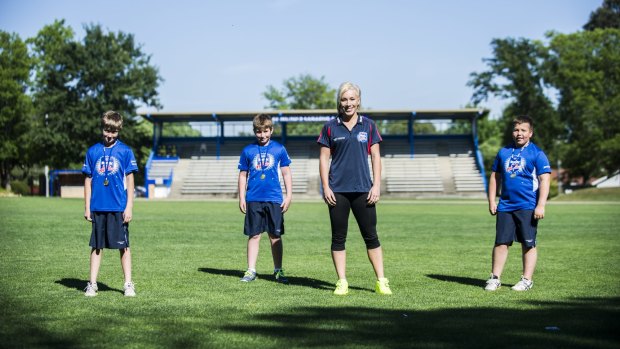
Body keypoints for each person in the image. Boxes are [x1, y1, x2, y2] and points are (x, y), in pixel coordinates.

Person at [317, 82, 392, 296]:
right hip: (337, 191)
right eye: (344, 99)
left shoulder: (368, 126)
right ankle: (342, 281)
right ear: (339, 102)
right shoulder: (330, 127)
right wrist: (325, 187)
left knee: (371, 237)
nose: (348, 103)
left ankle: (381, 280)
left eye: (352, 99)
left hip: (363, 190)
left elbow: (376, 156)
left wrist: (376, 185)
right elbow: (323, 159)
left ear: (358, 101)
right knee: (338, 238)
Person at [485, 115, 551, 292]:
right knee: (501, 242)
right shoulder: (504, 152)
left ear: (530, 133)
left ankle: (526, 280)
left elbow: (545, 179)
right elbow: (495, 176)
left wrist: (541, 205)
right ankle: (494, 278)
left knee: (528, 243)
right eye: (516, 130)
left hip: (528, 205)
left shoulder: (537, 153)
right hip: (505, 205)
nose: (519, 133)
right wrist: (492, 200)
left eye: (523, 130)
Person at [82, 111, 139, 297]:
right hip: (98, 206)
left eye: (113, 132)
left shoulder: (125, 151)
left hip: (118, 207)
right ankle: (92, 284)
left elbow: (130, 181)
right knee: (96, 246)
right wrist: (87, 206)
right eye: (107, 130)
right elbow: (88, 181)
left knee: (124, 246)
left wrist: (129, 206)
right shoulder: (92, 151)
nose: (109, 135)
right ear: (102, 128)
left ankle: (128, 283)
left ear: (118, 131)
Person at [238, 114, 292, 283]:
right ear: (255, 131)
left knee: (275, 236)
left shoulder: (279, 149)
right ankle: (251, 270)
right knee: (254, 235)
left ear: (271, 130)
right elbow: (242, 175)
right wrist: (241, 197)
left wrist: (289, 195)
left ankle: (278, 270)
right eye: (259, 132)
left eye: (265, 131)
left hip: (274, 199)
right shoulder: (248, 150)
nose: (262, 135)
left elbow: (286, 173)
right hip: (253, 198)